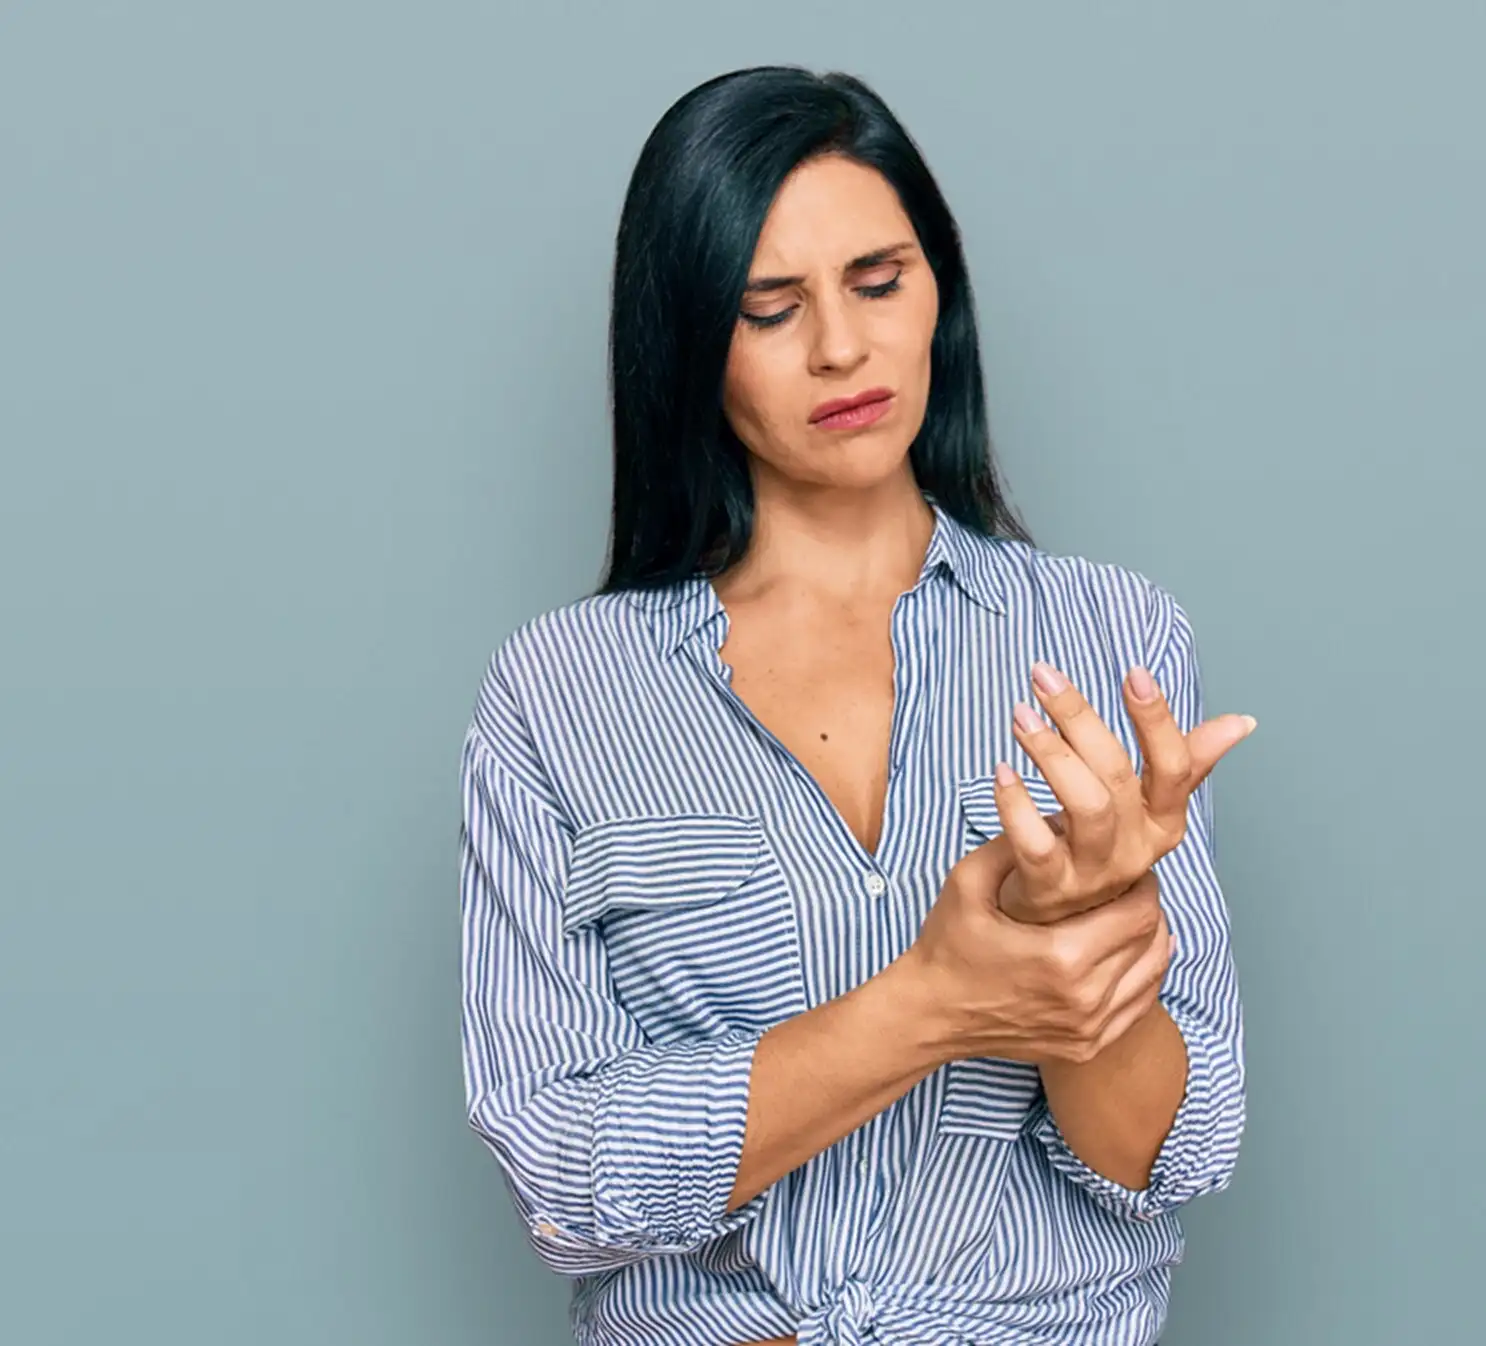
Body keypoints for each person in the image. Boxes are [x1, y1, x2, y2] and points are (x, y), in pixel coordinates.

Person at [458, 65, 1253, 1346]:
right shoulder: (558, 695)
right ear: (688, 344)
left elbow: (1178, 1148)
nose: (842, 347)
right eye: (770, 309)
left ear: (940, 289)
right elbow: (561, 1175)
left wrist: (1083, 941)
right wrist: (936, 1000)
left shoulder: (1111, 639)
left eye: (879, 282)